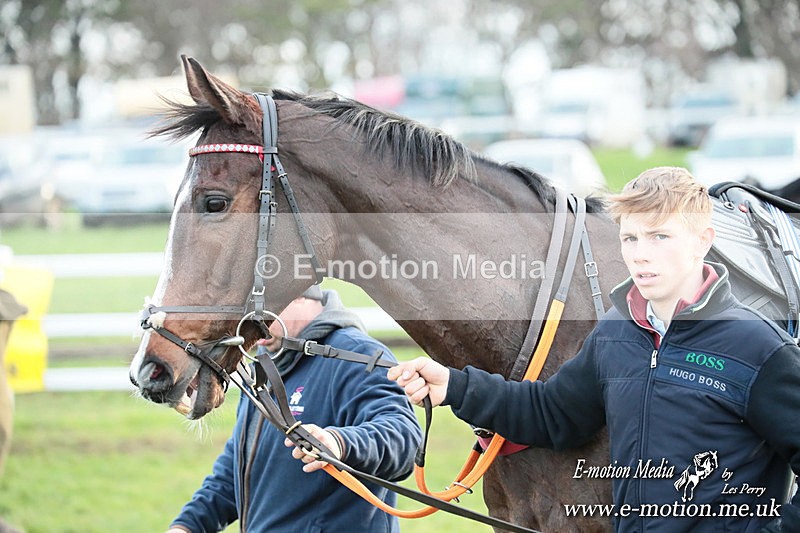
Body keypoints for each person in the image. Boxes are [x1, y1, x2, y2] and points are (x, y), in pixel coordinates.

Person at [389, 167, 800, 532]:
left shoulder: (758, 348)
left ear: (701, 241)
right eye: (630, 238)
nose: (641, 254)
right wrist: (455, 388)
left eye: (660, 236)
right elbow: (552, 413)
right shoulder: (616, 334)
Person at [168, 286, 421, 533]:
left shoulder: (357, 355)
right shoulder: (263, 364)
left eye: (263, 309)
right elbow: (236, 471)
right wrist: (188, 525)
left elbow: (405, 440)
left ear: (299, 293)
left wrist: (340, 443)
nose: (251, 325)